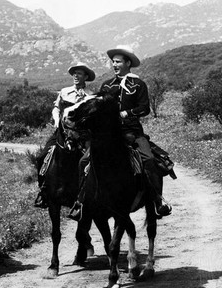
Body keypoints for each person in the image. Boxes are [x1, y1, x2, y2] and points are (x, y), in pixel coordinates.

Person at [68, 45, 171, 220]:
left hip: (132, 132)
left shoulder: (138, 84)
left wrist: (127, 113)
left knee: (149, 160)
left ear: (127, 62)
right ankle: (81, 201)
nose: (114, 65)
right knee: (84, 161)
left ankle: (157, 200)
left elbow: (144, 108)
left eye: (118, 62)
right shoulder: (107, 85)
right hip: (109, 135)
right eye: (113, 62)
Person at [34, 62, 96, 208]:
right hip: (62, 132)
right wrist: (56, 119)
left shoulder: (91, 96)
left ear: (86, 76)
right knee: (42, 157)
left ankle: (89, 194)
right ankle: (44, 191)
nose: (75, 75)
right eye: (74, 73)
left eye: (79, 73)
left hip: (82, 136)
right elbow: (56, 108)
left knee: (90, 161)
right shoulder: (64, 92)